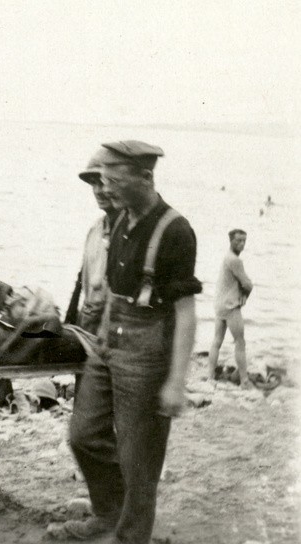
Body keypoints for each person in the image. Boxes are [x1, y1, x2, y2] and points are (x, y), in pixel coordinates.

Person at [55, 141, 202, 543]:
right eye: (103, 182)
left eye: (115, 182)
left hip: (147, 350)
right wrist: (98, 335)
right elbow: (111, 292)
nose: (108, 190)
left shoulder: (175, 230)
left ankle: (130, 536)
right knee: (83, 435)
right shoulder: (119, 219)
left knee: (140, 461)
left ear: (146, 177)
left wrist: (175, 382)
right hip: (108, 339)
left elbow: (186, 313)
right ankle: (107, 515)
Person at [65, 147, 122, 334]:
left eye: (102, 183)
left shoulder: (128, 231)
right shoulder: (96, 230)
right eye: (93, 184)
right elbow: (80, 281)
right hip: (87, 323)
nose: (98, 191)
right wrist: (68, 323)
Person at [207, 229, 253, 388]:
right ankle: (244, 381)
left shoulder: (227, 257)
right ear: (230, 241)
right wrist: (245, 295)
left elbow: (235, 282)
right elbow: (247, 284)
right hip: (230, 306)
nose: (242, 244)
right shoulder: (235, 260)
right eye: (238, 240)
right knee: (240, 342)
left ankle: (210, 377)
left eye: (244, 241)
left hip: (220, 305)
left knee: (216, 341)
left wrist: (242, 292)